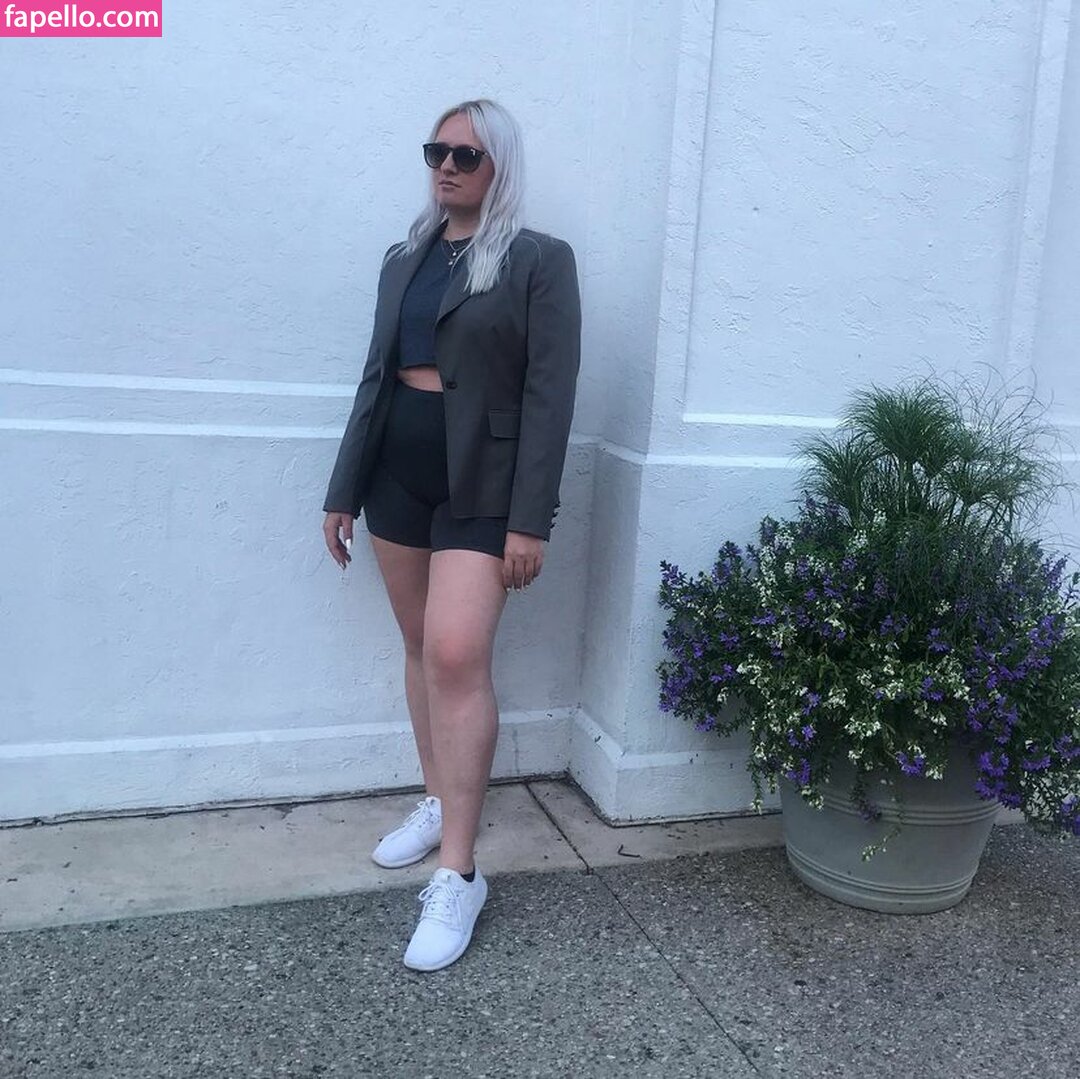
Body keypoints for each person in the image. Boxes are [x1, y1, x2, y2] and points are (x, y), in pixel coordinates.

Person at [321, 99, 581, 972]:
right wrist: (343, 489)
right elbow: (375, 374)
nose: (447, 166)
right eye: (437, 151)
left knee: (457, 652)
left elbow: (550, 395)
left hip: (483, 485)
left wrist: (529, 519)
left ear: (499, 164)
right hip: (395, 474)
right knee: (418, 645)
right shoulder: (405, 256)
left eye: (466, 154)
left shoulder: (538, 260)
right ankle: (438, 798)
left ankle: (459, 872)